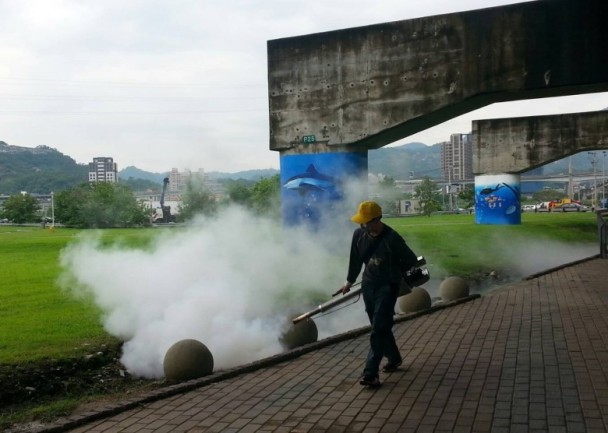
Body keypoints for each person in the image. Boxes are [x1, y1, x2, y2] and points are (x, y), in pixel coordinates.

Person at [336, 200, 419, 387]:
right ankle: (394, 357)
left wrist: (397, 272)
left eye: (365, 222)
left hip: (388, 286)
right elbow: (355, 261)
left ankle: (370, 373)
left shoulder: (392, 238)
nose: (361, 225)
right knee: (378, 324)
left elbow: (411, 260)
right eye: (360, 222)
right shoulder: (359, 235)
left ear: (376, 220)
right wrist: (348, 282)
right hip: (369, 285)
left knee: (378, 328)